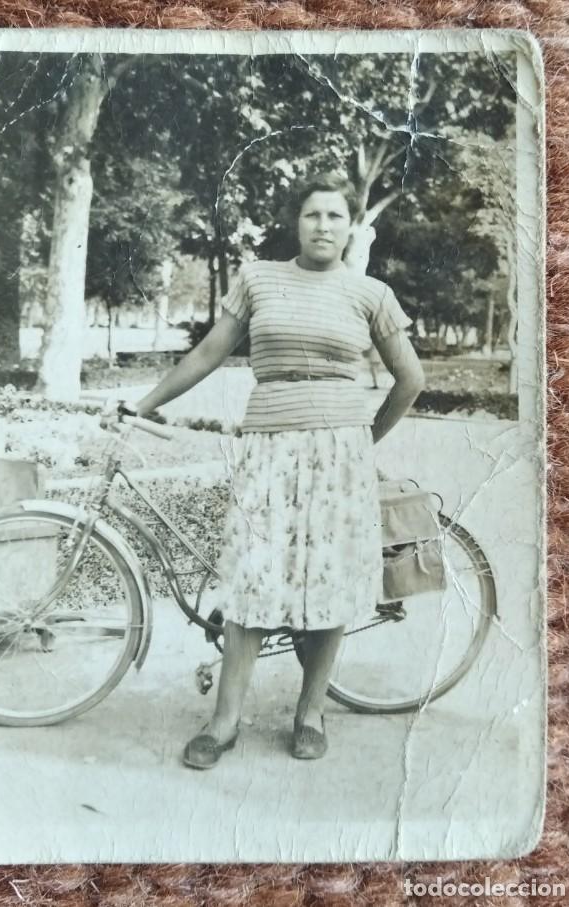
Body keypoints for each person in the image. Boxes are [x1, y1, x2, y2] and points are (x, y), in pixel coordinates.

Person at [123, 172, 425, 768]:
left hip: (340, 453)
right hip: (268, 446)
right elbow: (210, 350)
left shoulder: (371, 294)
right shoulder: (259, 279)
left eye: (336, 217)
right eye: (313, 214)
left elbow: (410, 379)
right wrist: (147, 402)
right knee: (251, 578)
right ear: (297, 222)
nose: (323, 226)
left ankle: (309, 714)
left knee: (329, 583)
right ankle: (225, 721)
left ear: (351, 227)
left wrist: (365, 441)